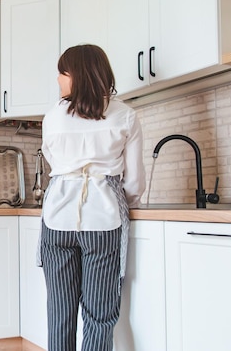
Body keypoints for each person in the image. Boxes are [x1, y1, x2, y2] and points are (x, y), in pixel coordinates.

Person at [39, 44, 146, 351]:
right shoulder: (125, 116)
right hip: (103, 222)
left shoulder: (51, 118)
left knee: (60, 314)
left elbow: (54, 167)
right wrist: (118, 202)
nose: (58, 80)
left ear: (76, 75)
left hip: (56, 222)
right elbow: (135, 184)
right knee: (99, 316)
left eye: (62, 72)